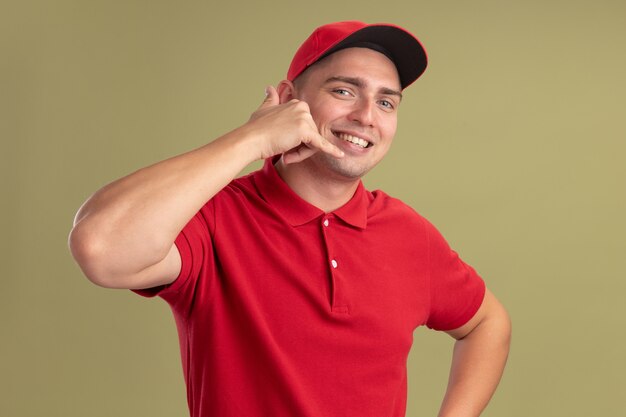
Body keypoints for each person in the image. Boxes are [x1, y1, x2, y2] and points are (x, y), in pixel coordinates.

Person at [69, 21, 511, 417]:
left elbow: (487, 324)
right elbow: (100, 247)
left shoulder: (408, 233)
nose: (365, 117)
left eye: (386, 103)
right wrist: (249, 140)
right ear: (287, 99)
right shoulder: (214, 218)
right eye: (343, 91)